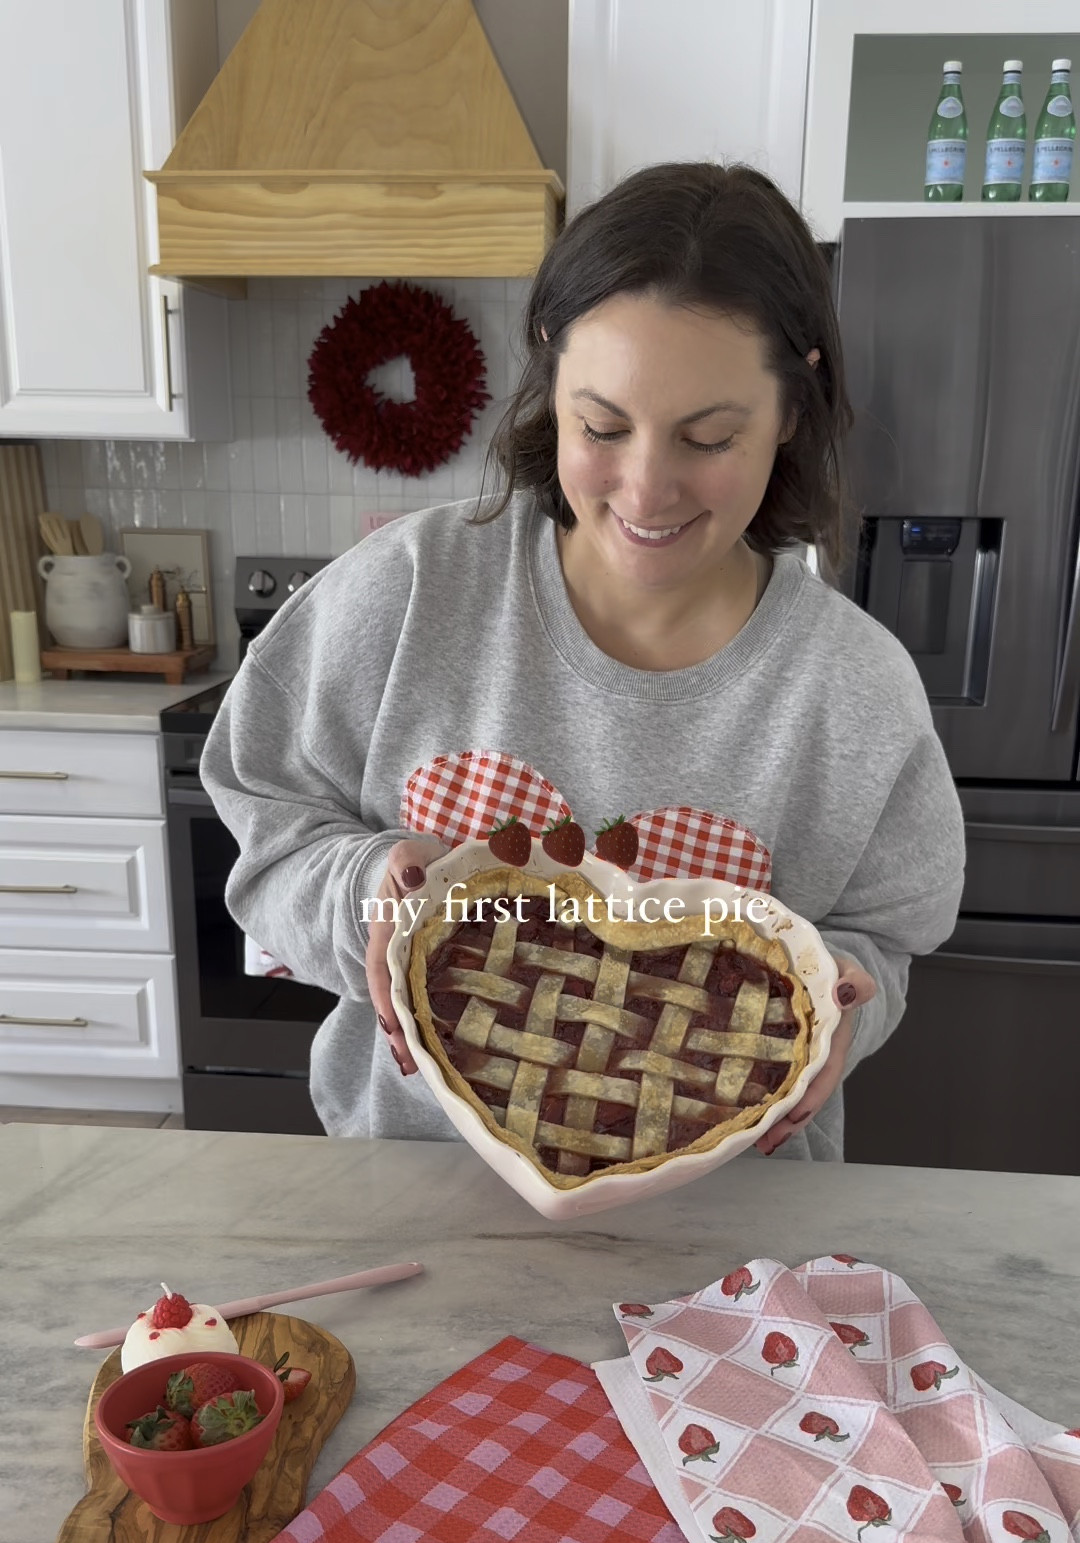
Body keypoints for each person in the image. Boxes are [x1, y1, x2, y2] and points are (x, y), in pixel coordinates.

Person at [201, 161, 965, 1161]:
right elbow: (268, 827)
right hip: (415, 1193)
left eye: (709, 437)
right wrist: (364, 887)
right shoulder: (406, 592)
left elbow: (883, 943)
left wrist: (848, 1005)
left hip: (725, 1241)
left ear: (794, 411)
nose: (647, 490)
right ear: (551, 383)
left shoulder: (854, 688)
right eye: (602, 427)